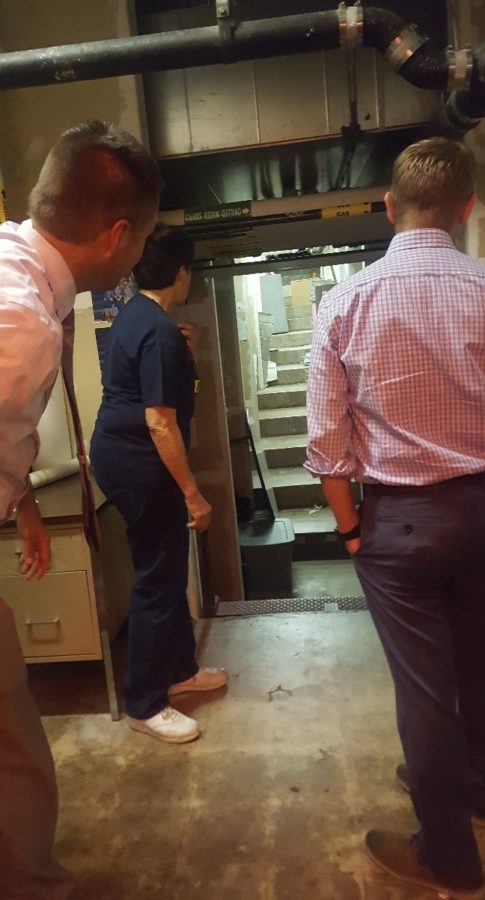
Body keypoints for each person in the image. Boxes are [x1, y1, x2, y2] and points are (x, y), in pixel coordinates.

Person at [305, 137, 485, 898]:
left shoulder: (344, 303)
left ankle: (449, 859)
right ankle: (481, 792)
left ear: (388, 207)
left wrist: (352, 531)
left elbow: (326, 445)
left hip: (403, 522)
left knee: (425, 693)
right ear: (464, 209)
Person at [0, 119, 161, 899]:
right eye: (143, 240)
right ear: (119, 234)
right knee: (11, 749)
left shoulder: (10, 261)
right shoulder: (22, 324)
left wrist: (20, 501)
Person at [90, 223, 227, 745]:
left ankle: (179, 671)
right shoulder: (159, 330)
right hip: (139, 462)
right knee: (157, 577)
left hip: (123, 458)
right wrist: (193, 492)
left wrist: (178, 346)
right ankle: (145, 703)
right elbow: (159, 421)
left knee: (167, 570)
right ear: (182, 274)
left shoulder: (137, 317)